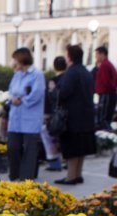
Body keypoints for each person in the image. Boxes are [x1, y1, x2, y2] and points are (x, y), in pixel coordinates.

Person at [55, 44, 96, 185]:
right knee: (81, 148)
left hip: (73, 117)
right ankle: (78, 174)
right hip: (86, 116)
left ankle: (71, 176)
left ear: (70, 57)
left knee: (72, 148)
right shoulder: (86, 72)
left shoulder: (71, 73)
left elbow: (64, 93)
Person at [7, 47, 45, 181]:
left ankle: (26, 178)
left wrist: (22, 100)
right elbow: (11, 91)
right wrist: (13, 99)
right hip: (16, 118)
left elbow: (36, 94)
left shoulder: (37, 75)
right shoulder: (17, 75)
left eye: (15, 60)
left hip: (30, 118)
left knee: (29, 150)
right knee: (13, 147)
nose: (14, 63)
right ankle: (15, 174)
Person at [42, 56, 67, 172]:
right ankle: (65, 160)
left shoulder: (53, 81)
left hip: (55, 114)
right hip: (67, 112)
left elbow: (50, 98)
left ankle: (55, 163)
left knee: (52, 138)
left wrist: (47, 114)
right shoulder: (68, 78)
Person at [94, 46, 117, 130]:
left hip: (106, 94)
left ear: (102, 54)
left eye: (97, 54)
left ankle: (106, 140)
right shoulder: (108, 65)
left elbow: (106, 81)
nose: (95, 57)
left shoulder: (105, 65)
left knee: (103, 119)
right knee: (105, 119)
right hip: (109, 94)